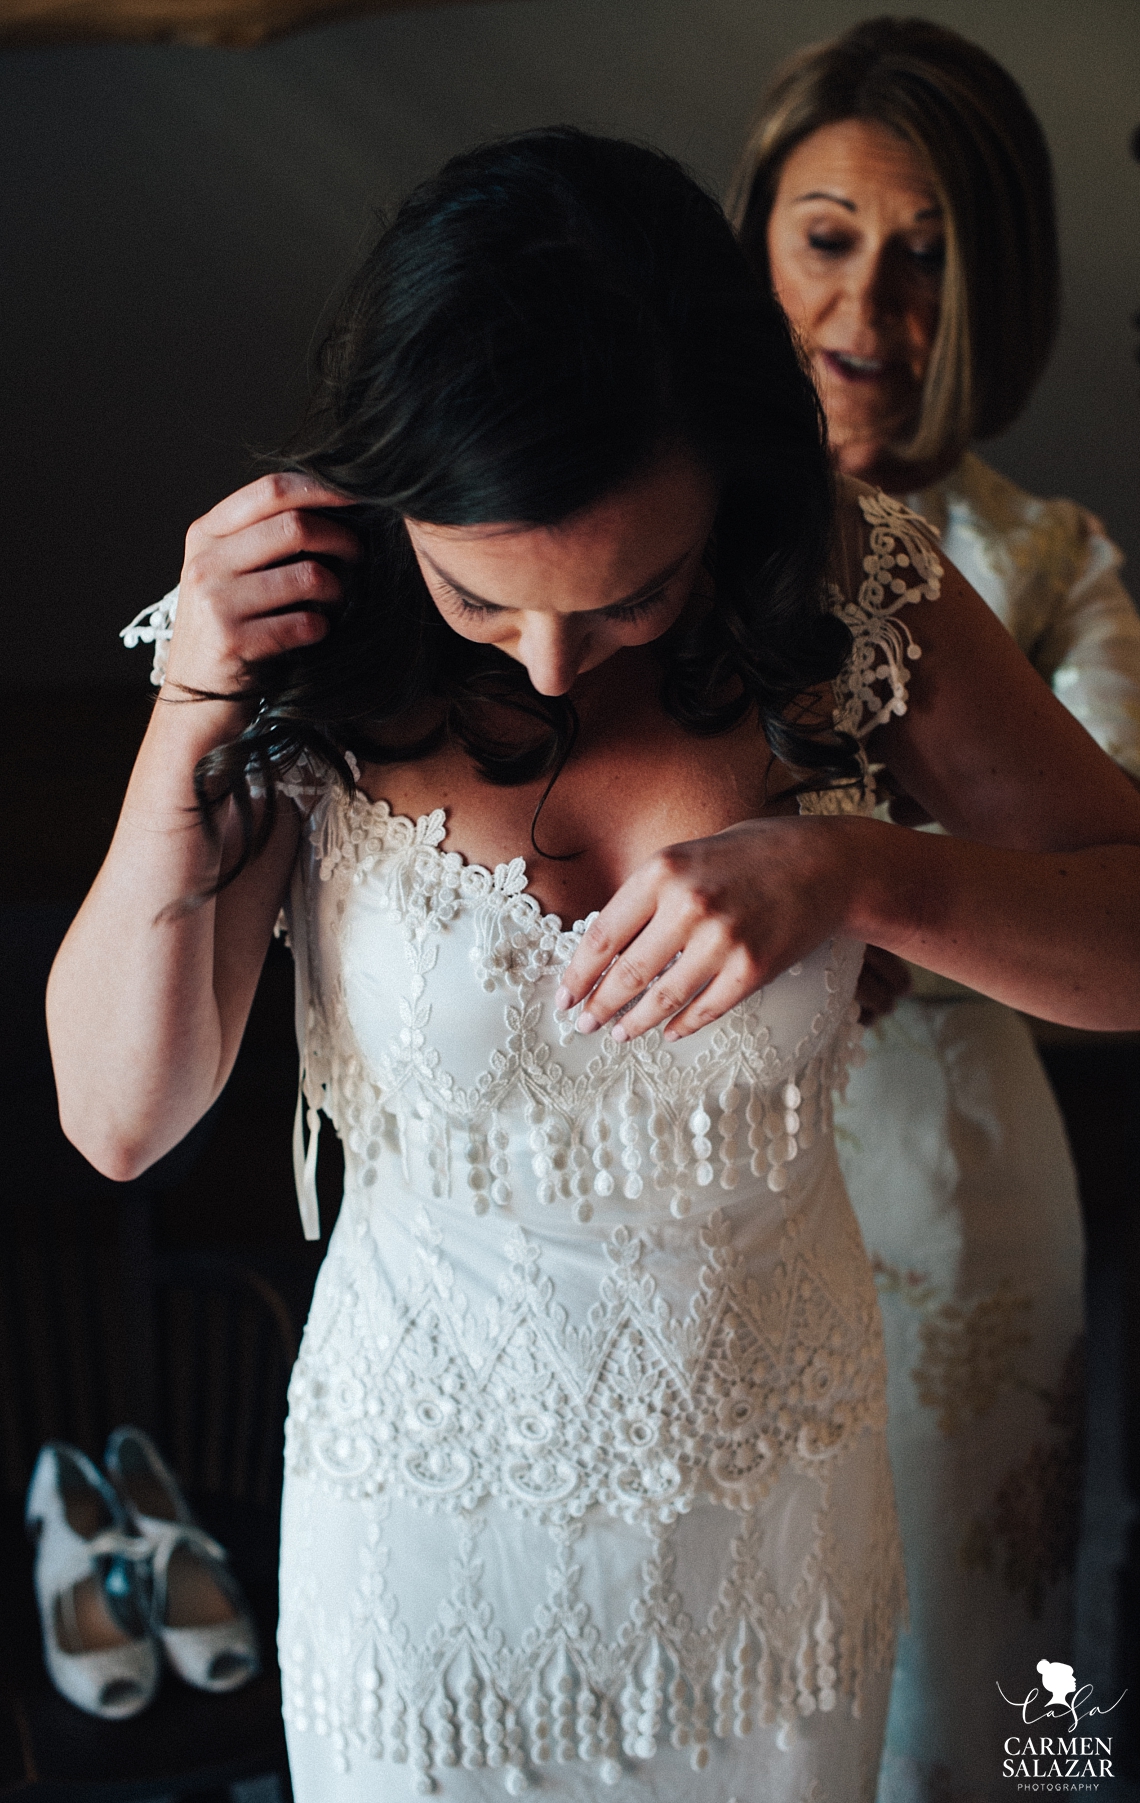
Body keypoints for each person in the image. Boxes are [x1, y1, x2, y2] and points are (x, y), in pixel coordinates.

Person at [48, 129, 1140, 1802]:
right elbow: (122, 1120)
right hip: (429, 1538)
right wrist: (192, 707)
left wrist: (863, 871)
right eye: (485, 596)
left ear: (731, 488)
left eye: (634, 596)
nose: (555, 659)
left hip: (775, 1528)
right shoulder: (303, 639)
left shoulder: (848, 589)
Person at [728, 18, 1140, 1801]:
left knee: (1012, 1667)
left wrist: (879, 888)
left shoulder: (1052, 566)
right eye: (829, 238)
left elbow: (1103, 942)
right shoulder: (661, 541)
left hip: (963, 1197)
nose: (872, 314)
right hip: (708, 1215)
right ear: (755, 240)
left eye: (927, 258)